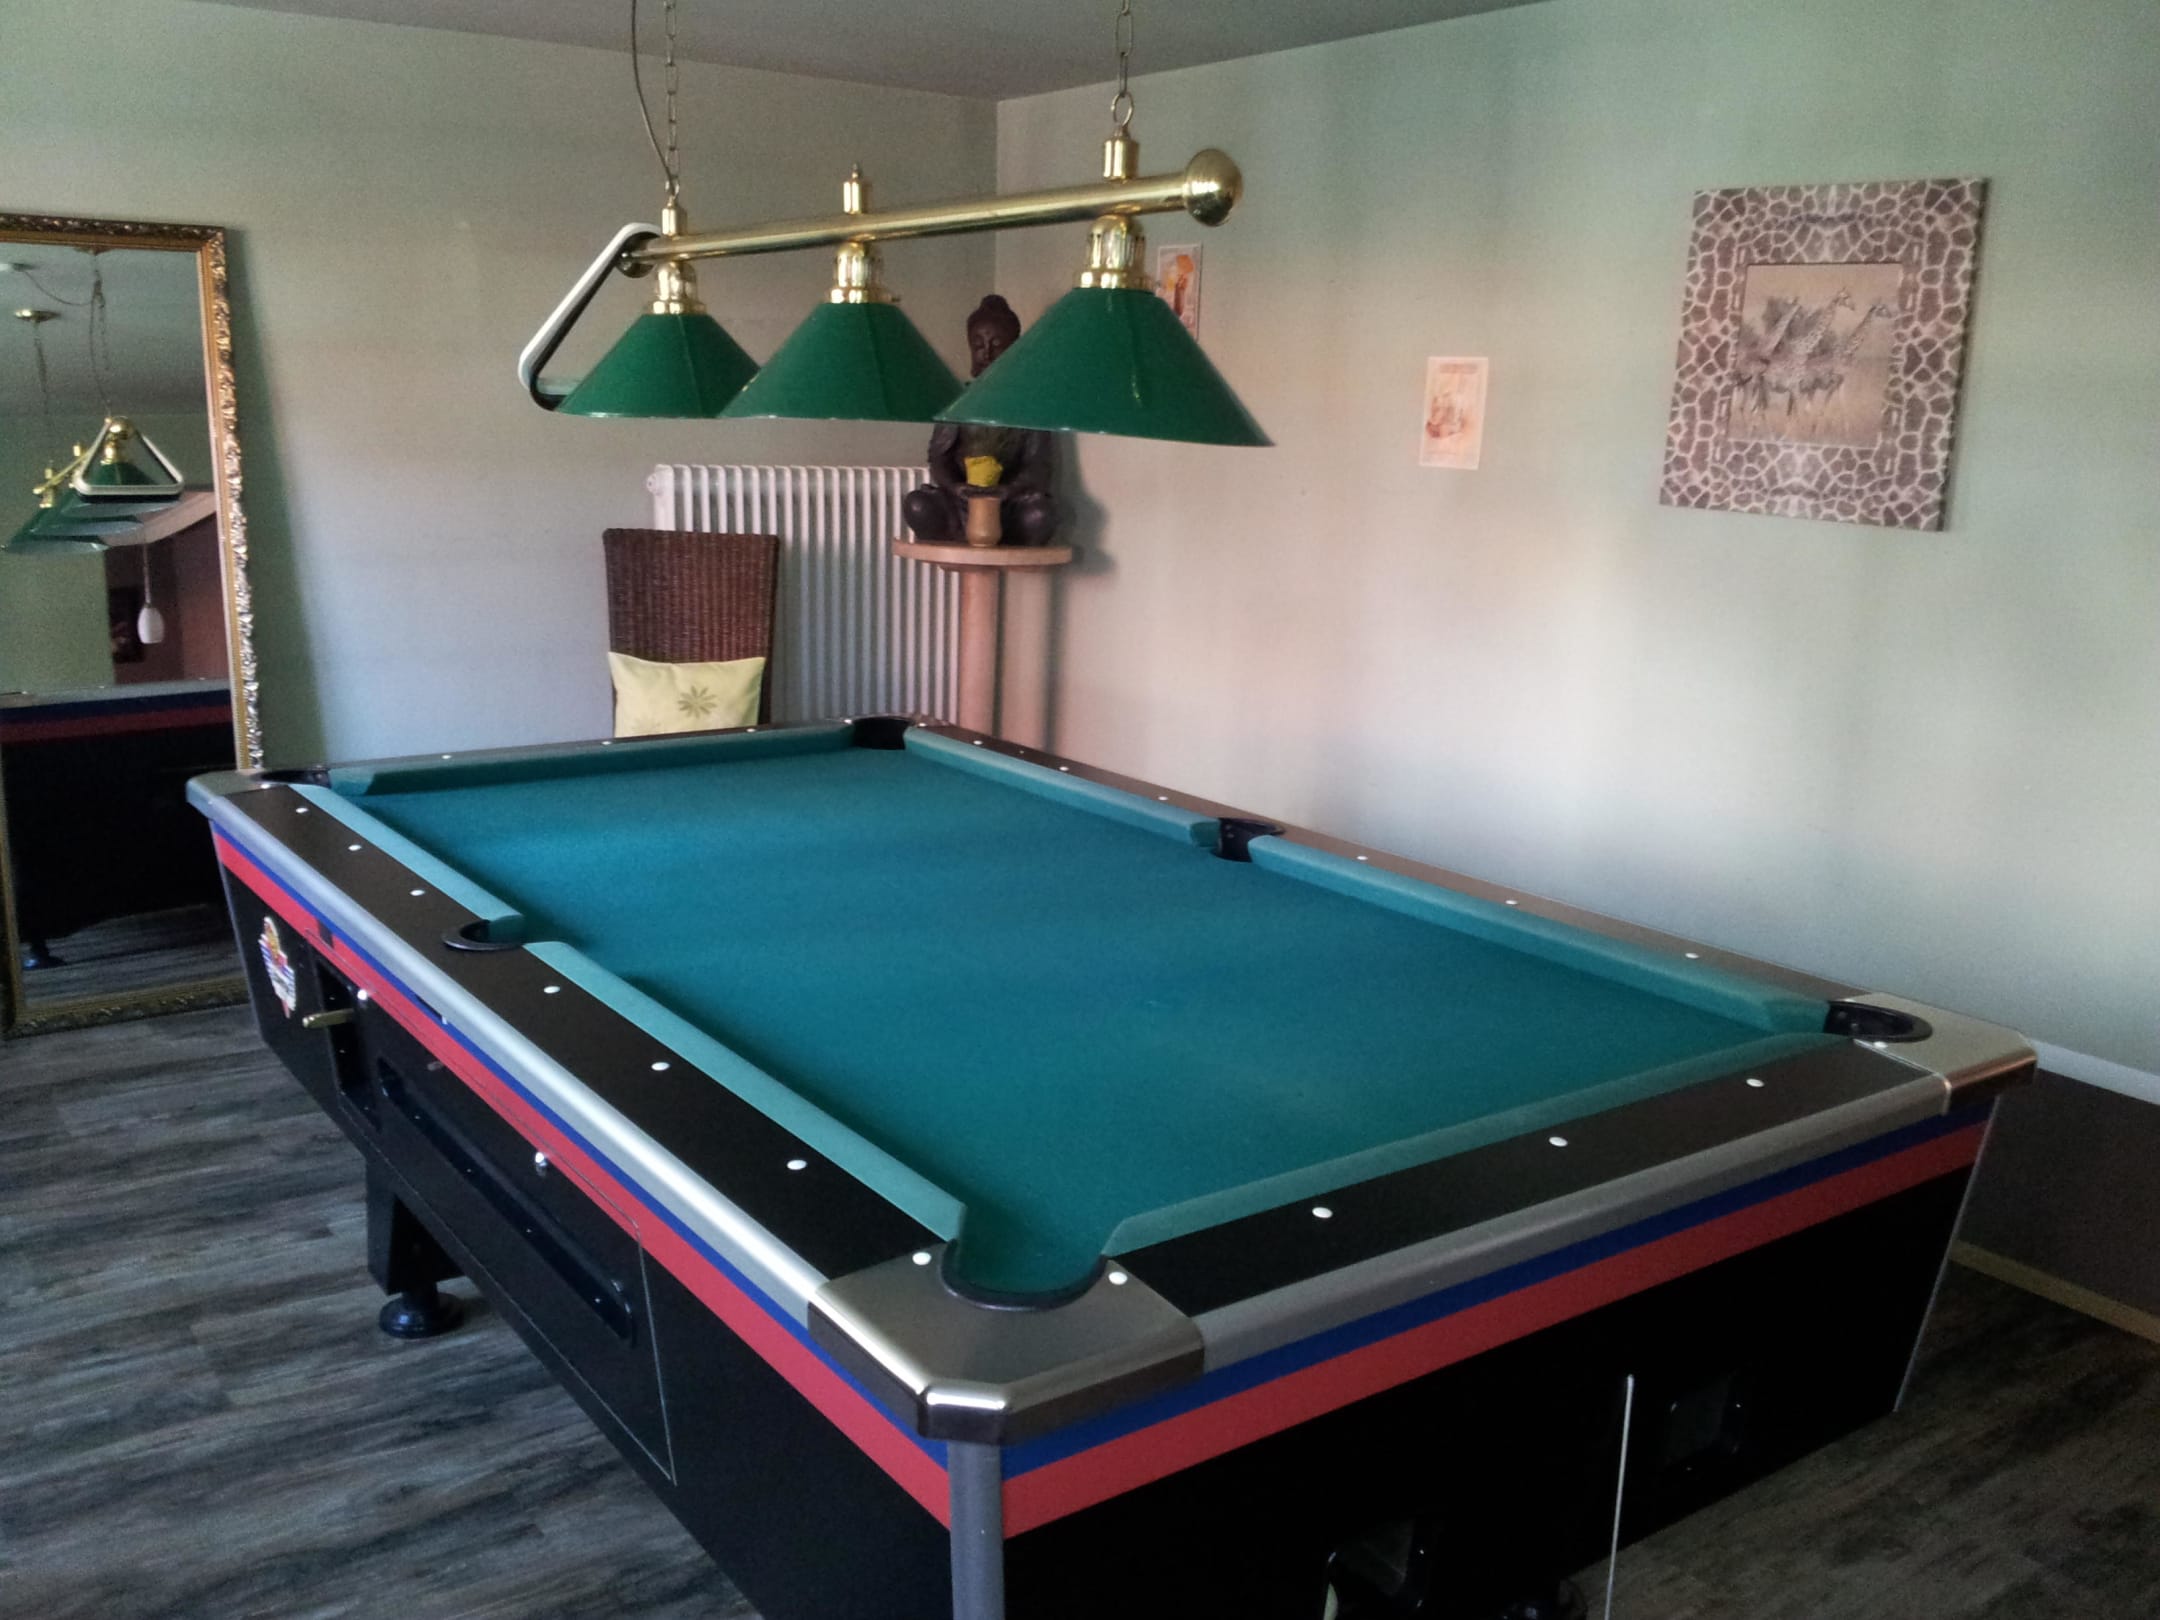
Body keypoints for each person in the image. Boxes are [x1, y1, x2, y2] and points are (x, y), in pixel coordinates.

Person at [902, 295, 1058, 546]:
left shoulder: (1028, 407)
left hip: (1009, 506)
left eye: (997, 345)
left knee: (1041, 514)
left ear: (1013, 348)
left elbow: (1038, 466)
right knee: (917, 504)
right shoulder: (959, 403)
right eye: (978, 345)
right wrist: (955, 487)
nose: (986, 353)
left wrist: (1007, 491)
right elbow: (939, 457)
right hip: (960, 502)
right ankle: (954, 538)